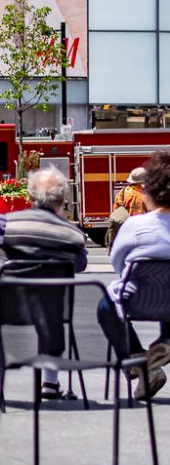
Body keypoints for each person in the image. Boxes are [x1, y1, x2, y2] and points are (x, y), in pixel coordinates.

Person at [0, 166, 88, 399]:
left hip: (1, 307)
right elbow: (79, 264)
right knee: (53, 314)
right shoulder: (73, 235)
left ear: (29, 197)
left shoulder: (9, 223)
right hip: (48, 311)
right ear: (63, 198)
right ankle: (50, 383)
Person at [97, 151, 170, 400]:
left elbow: (118, 263)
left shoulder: (135, 226)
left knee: (105, 305)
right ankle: (166, 343)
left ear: (149, 193)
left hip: (138, 300)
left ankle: (138, 361)